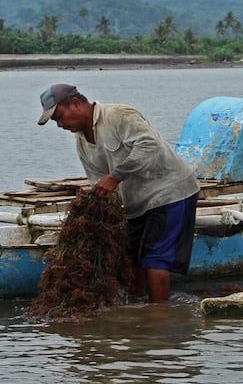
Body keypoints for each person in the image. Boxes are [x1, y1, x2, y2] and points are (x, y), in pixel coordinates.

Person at [38, 83, 200, 303]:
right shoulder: (82, 143)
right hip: (136, 203)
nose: (59, 124)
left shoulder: (119, 115)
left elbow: (149, 146)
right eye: (55, 121)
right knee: (130, 259)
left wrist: (115, 176)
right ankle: (137, 308)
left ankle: (159, 318)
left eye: (59, 116)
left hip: (169, 192)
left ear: (75, 104)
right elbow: (100, 183)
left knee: (155, 259)